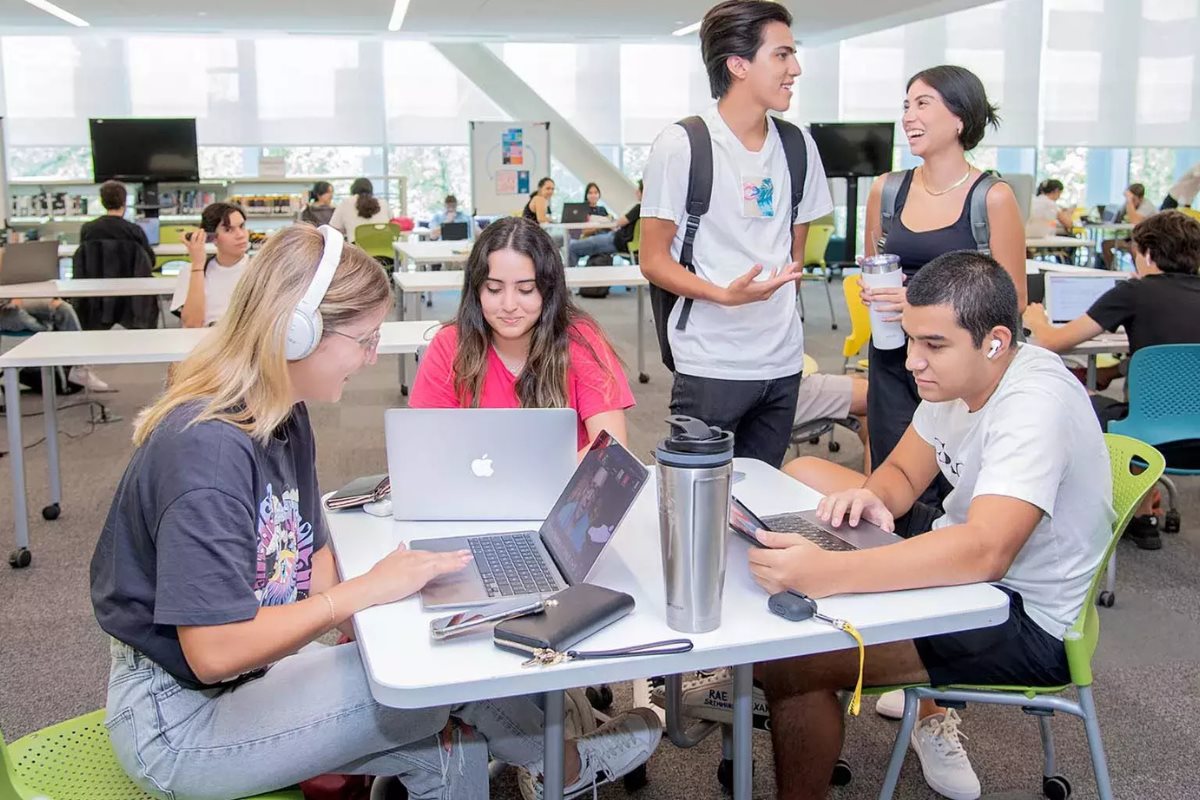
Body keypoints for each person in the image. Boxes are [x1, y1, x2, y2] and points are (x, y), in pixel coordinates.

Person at [89, 223, 661, 800]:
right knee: (440, 678)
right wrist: (364, 595)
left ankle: (557, 764)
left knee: (446, 708)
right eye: (363, 341)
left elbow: (313, 564)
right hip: (181, 722)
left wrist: (419, 601)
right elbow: (214, 653)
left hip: (244, 678)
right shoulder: (205, 455)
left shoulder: (283, 414)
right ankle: (566, 764)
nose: (369, 361)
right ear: (296, 333)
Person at [753, 251, 1113, 800]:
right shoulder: (957, 381)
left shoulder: (1035, 403)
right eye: (913, 339)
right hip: (968, 573)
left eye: (933, 345)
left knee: (792, 665)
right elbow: (900, 470)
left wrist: (831, 572)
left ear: (994, 341)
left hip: (1025, 616)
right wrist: (869, 499)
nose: (913, 361)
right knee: (808, 490)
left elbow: (987, 551)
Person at [640, 0, 833, 468]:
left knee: (761, 500)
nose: (796, 69)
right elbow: (653, 259)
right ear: (738, 64)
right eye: (782, 55)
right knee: (696, 503)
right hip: (711, 362)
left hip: (783, 360)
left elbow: (793, 250)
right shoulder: (684, 144)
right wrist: (722, 295)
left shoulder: (797, 144)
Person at [862, 65, 1025, 504]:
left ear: (959, 118)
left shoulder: (991, 197)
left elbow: (1014, 300)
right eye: (906, 105)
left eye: (923, 104)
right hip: (895, 355)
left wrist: (913, 298)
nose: (908, 116)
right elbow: (874, 264)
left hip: (961, 365)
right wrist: (874, 291)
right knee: (893, 477)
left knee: (956, 484)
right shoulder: (887, 190)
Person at [1023, 210, 1200, 550]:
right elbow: (1181, 361)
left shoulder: (1134, 292)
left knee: (1083, 402)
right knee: (1138, 407)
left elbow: (1051, 342)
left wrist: (1037, 317)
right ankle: (1143, 510)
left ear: (1147, 253)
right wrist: (1115, 372)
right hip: (1190, 434)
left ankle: (1119, 511)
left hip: (1152, 432)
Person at [410, 216, 634, 453]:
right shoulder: (450, 344)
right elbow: (428, 450)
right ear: (476, 290)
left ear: (548, 290)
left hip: (566, 489)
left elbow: (611, 451)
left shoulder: (581, 340)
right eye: (494, 289)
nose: (509, 305)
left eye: (526, 290)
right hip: (474, 489)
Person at [0, 294, 109, 391]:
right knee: (24, 317)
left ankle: (80, 369)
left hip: (11, 297)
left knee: (63, 308)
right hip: (3, 310)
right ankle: (47, 329)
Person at [171, 201, 250, 328]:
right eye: (228, 229)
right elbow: (192, 324)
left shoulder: (260, 270)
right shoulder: (191, 271)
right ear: (212, 237)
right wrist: (198, 265)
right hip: (204, 342)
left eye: (242, 226)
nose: (240, 235)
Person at [793, 372, 870, 473]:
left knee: (858, 379)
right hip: (784, 387)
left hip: (784, 381)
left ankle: (878, 474)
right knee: (874, 396)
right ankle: (877, 483)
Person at [79, 180, 156, 267]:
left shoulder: (87, 229)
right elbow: (150, 261)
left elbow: (83, 261)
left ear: (102, 202)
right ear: (124, 201)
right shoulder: (134, 230)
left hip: (96, 280)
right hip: (130, 280)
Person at [569, 180, 642, 266]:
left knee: (572, 247)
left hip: (616, 240)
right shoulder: (646, 210)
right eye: (590, 193)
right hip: (612, 236)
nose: (636, 192)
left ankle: (566, 277)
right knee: (573, 244)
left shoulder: (639, 208)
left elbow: (619, 223)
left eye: (595, 192)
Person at [1100, 183, 1156, 269]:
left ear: (1141, 198)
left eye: (1134, 199)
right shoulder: (1128, 204)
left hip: (1147, 240)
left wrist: (1130, 201)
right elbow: (1118, 218)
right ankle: (1112, 271)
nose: (1131, 201)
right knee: (1105, 244)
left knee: (1134, 248)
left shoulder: (1147, 205)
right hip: (1131, 238)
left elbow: (1134, 220)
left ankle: (1140, 273)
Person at [330, 178, 392, 244]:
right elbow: (391, 221)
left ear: (352, 189)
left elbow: (334, 228)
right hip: (383, 247)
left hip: (357, 250)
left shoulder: (346, 203)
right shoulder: (383, 203)